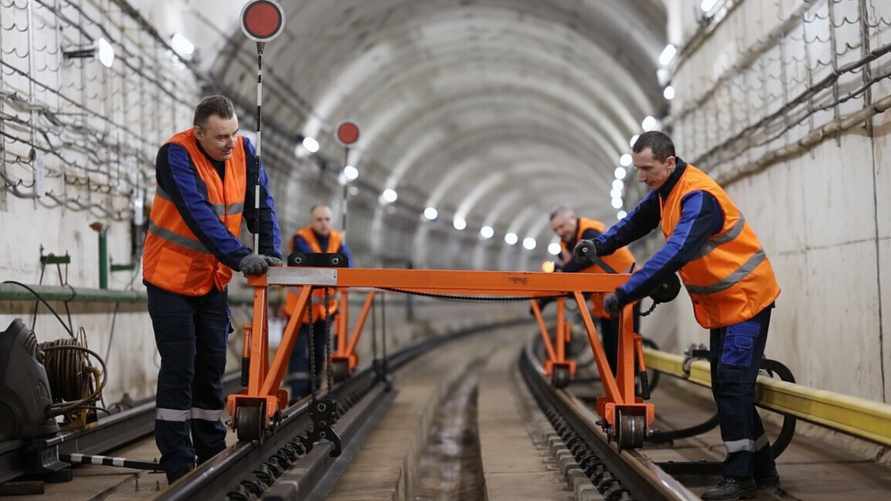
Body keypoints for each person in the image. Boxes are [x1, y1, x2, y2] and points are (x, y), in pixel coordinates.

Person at [574, 131, 781, 500]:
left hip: (747, 299)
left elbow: (675, 252)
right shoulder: (667, 192)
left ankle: (739, 476)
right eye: (637, 169)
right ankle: (761, 469)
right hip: (725, 305)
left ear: (669, 162)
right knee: (728, 385)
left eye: (647, 168)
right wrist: (599, 245)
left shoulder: (698, 198)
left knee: (732, 383)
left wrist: (625, 293)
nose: (641, 177)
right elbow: (636, 222)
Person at [142, 95, 282, 483]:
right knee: (180, 367)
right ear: (199, 132)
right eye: (221, 137)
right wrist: (240, 256)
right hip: (170, 281)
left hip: (210, 281)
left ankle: (210, 450)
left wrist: (271, 252)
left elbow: (261, 204)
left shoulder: (245, 153)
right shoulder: (175, 156)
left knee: (211, 369)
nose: (230, 143)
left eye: (234, 133)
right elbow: (197, 212)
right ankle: (177, 459)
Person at [545, 207, 636, 375]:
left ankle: (631, 385)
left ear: (573, 218)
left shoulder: (589, 231)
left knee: (622, 345)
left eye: (562, 226)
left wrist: (563, 272)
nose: (560, 232)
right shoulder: (566, 243)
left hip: (625, 291)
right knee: (611, 346)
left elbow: (585, 258)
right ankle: (618, 387)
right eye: (556, 229)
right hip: (604, 299)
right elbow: (575, 269)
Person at [283, 205, 353, 400]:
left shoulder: (338, 240)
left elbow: (350, 267)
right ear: (312, 221)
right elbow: (309, 260)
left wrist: (337, 260)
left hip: (324, 311)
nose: (324, 224)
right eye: (319, 219)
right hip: (299, 310)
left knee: (318, 353)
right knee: (298, 353)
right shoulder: (301, 238)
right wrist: (336, 260)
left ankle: (312, 394)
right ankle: (298, 396)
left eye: (327, 219)